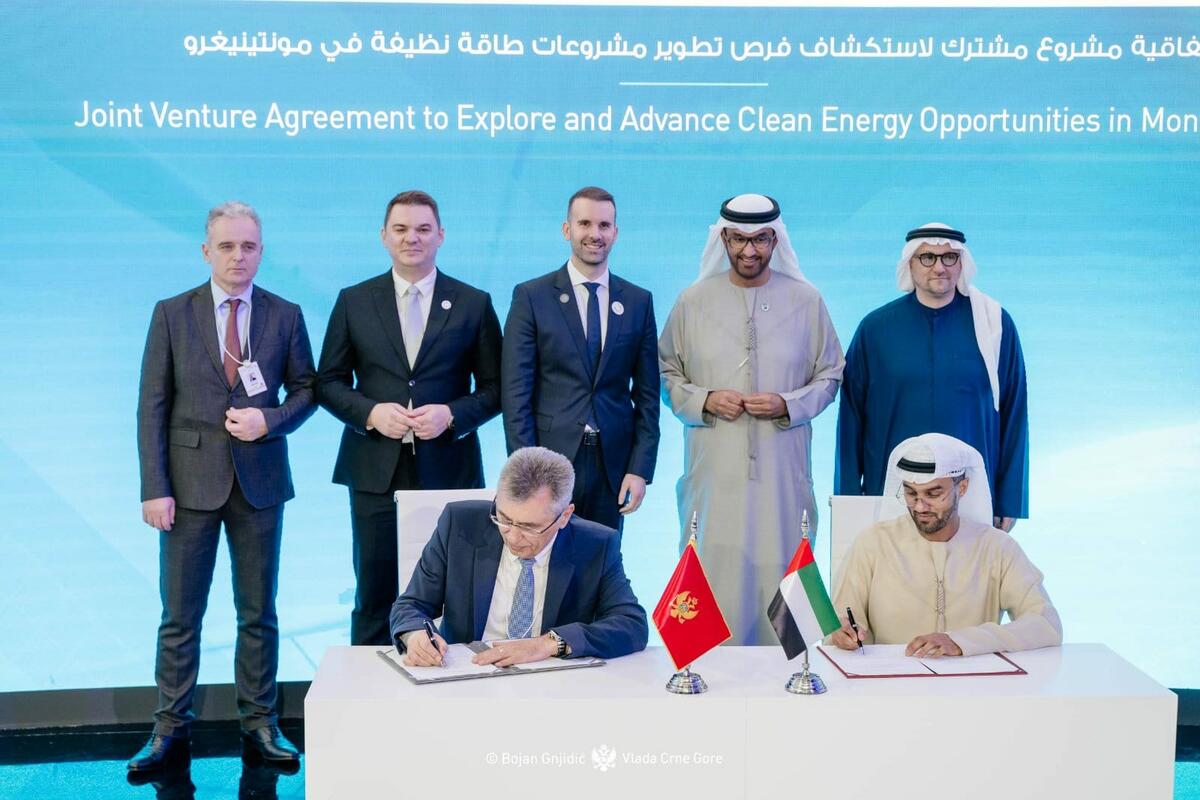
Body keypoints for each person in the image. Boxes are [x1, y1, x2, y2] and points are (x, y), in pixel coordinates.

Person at [130, 201, 315, 772]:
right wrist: (154, 487)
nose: (239, 256)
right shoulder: (172, 313)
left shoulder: (285, 314)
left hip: (260, 484)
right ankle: (169, 728)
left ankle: (260, 723)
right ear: (206, 251)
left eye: (249, 246)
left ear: (261, 252)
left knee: (258, 612)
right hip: (186, 488)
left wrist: (270, 420)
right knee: (180, 615)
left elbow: (308, 392)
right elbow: (151, 406)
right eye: (228, 246)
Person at [316, 190, 503, 646]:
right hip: (374, 470)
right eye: (400, 229)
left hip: (450, 470)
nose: (411, 238)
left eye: (423, 229)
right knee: (374, 593)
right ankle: (366, 687)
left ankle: (454, 682)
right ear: (384, 236)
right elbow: (328, 382)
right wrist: (371, 413)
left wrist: (452, 415)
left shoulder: (473, 303)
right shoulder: (354, 300)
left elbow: (499, 388)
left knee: (456, 593)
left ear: (441, 235)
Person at [659, 193, 844, 645]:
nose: (749, 250)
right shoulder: (692, 301)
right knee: (710, 569)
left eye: (760, 239)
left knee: (784, 565)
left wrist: (788, 404)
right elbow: (664, 373)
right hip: (713, 479)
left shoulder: (806, 301)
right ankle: (700, 669)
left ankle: (793, 670)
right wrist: (705, 400)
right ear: (723, 239)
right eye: (738, 239)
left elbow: (831, 374)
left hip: (783, 479)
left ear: (775, 240)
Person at [835, 223, 1029, 531]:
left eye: (949, 257)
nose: (939, 267)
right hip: (892, 490)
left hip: (971, 491)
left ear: (962, 263)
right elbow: (851, 420)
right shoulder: (876, 329)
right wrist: (849, 500)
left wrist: (1010, 500)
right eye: (927, 257)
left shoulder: (994, 325)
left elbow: (1013, 413)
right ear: (909, 264)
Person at [390, 447, 648, 666]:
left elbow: (631, 624)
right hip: (467, 675)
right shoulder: (459, 524)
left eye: (529, 527)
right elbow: (411, 605)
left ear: (565, 516)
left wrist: (548, 644)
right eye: (503, 519)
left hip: (551, 683)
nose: (512, 537)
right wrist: (414, 635)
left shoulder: (596, 545)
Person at [501, 186, 659, 531]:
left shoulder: (638, 301)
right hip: (549, 464)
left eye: (604, 225)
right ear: (567, 229)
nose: (595, 234)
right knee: (547, 557)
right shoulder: (531, 297)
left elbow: (648, 396)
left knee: (604, 558)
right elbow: (515, 394)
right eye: (585, 223)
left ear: (615, 232)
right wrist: (527, 469)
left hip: (612, 468)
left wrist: (640, 469)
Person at [830, 433, 1061, 657]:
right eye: (911, 493)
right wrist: (841, 633)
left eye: (933, 494)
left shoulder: (997, 548)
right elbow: (840, 621)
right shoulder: (873, 543)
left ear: (962, 488)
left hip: (974, 682)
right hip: (890, 681)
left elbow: (1045, 624)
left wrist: (961, 641)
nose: (920, 507)